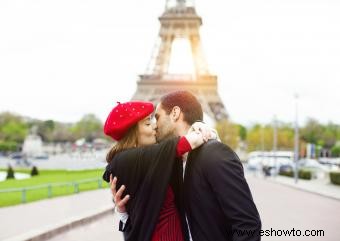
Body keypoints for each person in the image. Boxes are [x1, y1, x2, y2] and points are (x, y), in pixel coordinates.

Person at [113, 91, 262, 241]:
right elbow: (142, 225)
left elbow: (248, 224)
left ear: (175, 113)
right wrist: (124, 212)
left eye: (157, 117)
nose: (154, 125)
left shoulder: (214, 154)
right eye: (149, 121)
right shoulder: (168, 164)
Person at [102, 101, 213, 241]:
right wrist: (200, 127)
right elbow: (190, 141)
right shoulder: (134, 158)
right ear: (133, 133)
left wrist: (122, 212)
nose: (155, 126)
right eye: (148, 123)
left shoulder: (126, 161)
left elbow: (131, 222)